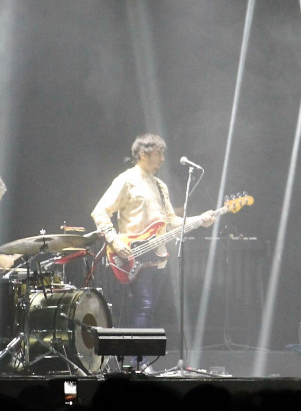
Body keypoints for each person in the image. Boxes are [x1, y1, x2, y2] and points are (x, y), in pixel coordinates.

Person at [91, 133, 215, 328]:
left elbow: (171, 221)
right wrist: (114, 241)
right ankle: (138, 358)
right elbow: (100, 211)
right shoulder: (126, 180)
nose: (162, 159)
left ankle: (140, 356)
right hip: (133, 255)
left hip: (158, 256)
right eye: (159, 154)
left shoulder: (160, 186)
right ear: (143, 154)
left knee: (150, 308)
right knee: (144, 306)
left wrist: (200, 220)